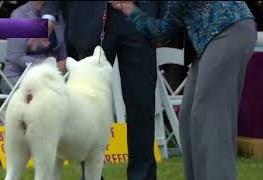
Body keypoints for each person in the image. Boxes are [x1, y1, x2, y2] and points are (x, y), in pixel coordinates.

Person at [110, 1, 257, 180]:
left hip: (230, 29)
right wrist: (129, 9)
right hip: (205, 45)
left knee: (209, 118)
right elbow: (163, 33)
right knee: (187, 118)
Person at [33, 1, 168, 180]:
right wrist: (49, 14)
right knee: (83, 106)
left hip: (139, 14)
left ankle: (142, 176)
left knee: (142, 104)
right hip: (86, 18)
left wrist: (163, 16)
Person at [0, 1, 67, 94]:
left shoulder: (56, 15)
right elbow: (16, 57)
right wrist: (50, 65)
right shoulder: (19, 15)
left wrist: (65, 64)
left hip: (53, 77)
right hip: (19, 77)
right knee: (48, 91)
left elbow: (62, 53)